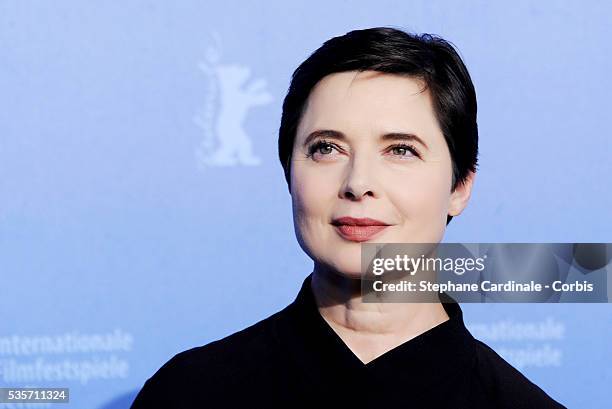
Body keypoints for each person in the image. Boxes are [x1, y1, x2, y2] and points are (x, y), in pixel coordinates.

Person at [131, 26, 566, 408]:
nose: (358, 182)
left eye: (400, 150)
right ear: (288, 173)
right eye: (326, 148)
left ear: (459, 187)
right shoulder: (190, 392)